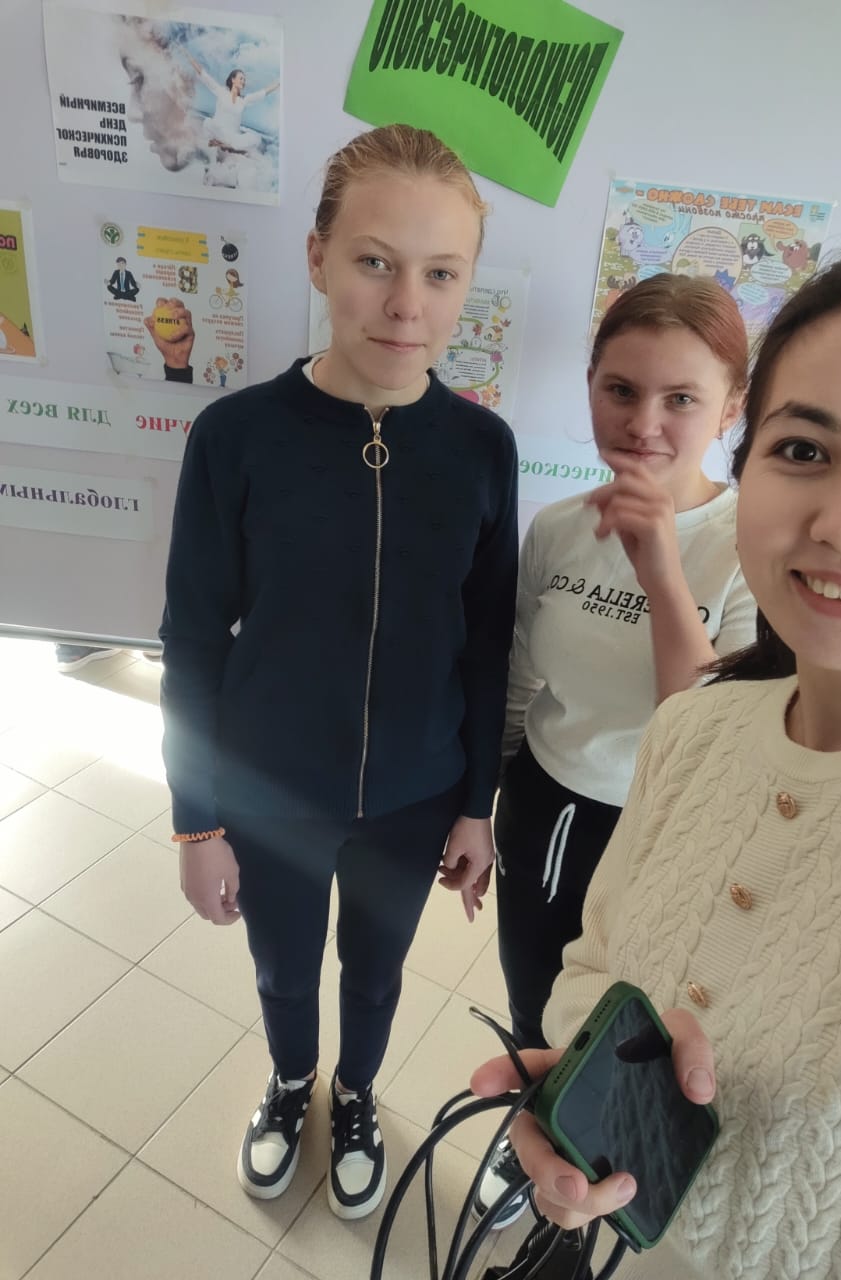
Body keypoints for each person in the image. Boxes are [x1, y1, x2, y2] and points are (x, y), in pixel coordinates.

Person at [473, 258, 841, 1279]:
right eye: (804, 448)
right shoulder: (697, 733)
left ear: (721, 414)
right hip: (545, 808)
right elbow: (593, 971)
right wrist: (580, 1102)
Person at [159, 124, 517, 1220]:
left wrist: (476, 805)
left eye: (440, 273)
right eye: (374, 261)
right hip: (269, 789)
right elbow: (192, 636)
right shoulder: (236, 436)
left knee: (376, 966)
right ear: (317, 258)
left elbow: (487, 640)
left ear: (465, 285)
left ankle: (356, 1091)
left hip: (414, 797)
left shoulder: (481, 447)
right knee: (281, 968)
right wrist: (196, 823)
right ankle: (290, 1080)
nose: (406, 304)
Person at [476, 275, 755, 1225]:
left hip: (665, 830)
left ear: (730, 407)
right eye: (620, 390)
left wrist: (661, 568)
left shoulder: (752, 545)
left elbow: (705, 726)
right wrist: (476, 809)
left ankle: (611, 1169)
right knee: (535, 1000)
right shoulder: (558, 527)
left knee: (632, 1023)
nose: (644, 423)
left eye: (681, 398)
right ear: (589, 385)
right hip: (546, 807)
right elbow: (520, 679)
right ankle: (534, 1138)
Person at [185, 53, 279, 154]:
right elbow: (204, 75)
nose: (243, 81)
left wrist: (279, 83)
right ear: (233, 79)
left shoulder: (244, 100)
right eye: (241, 78)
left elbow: (263, 93)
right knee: (209, 124)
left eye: (244, 79)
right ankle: (224, 144)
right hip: (217, 130)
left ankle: (225, 145)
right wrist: (188, 56)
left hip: (232, 137)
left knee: (256, 138)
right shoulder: (221, 92)